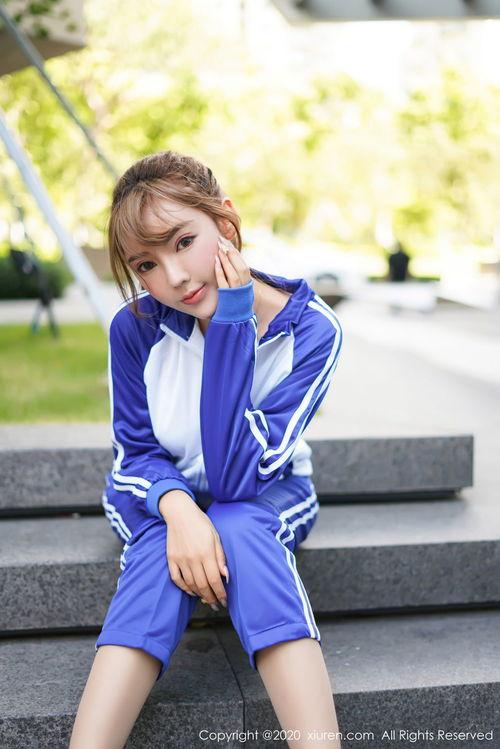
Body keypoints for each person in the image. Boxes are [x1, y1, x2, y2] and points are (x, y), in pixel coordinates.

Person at [69, 151, 344, 749]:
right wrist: (180, 511)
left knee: (240, 523)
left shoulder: (311, 330)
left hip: (269, 490)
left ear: (225, 221)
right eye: (146, 264)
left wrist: (233, 322)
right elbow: (135, 453)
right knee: (158, 548)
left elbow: (238, 476)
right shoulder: (135, 328)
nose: (173, 276)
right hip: (155, 492)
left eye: (183, 242)